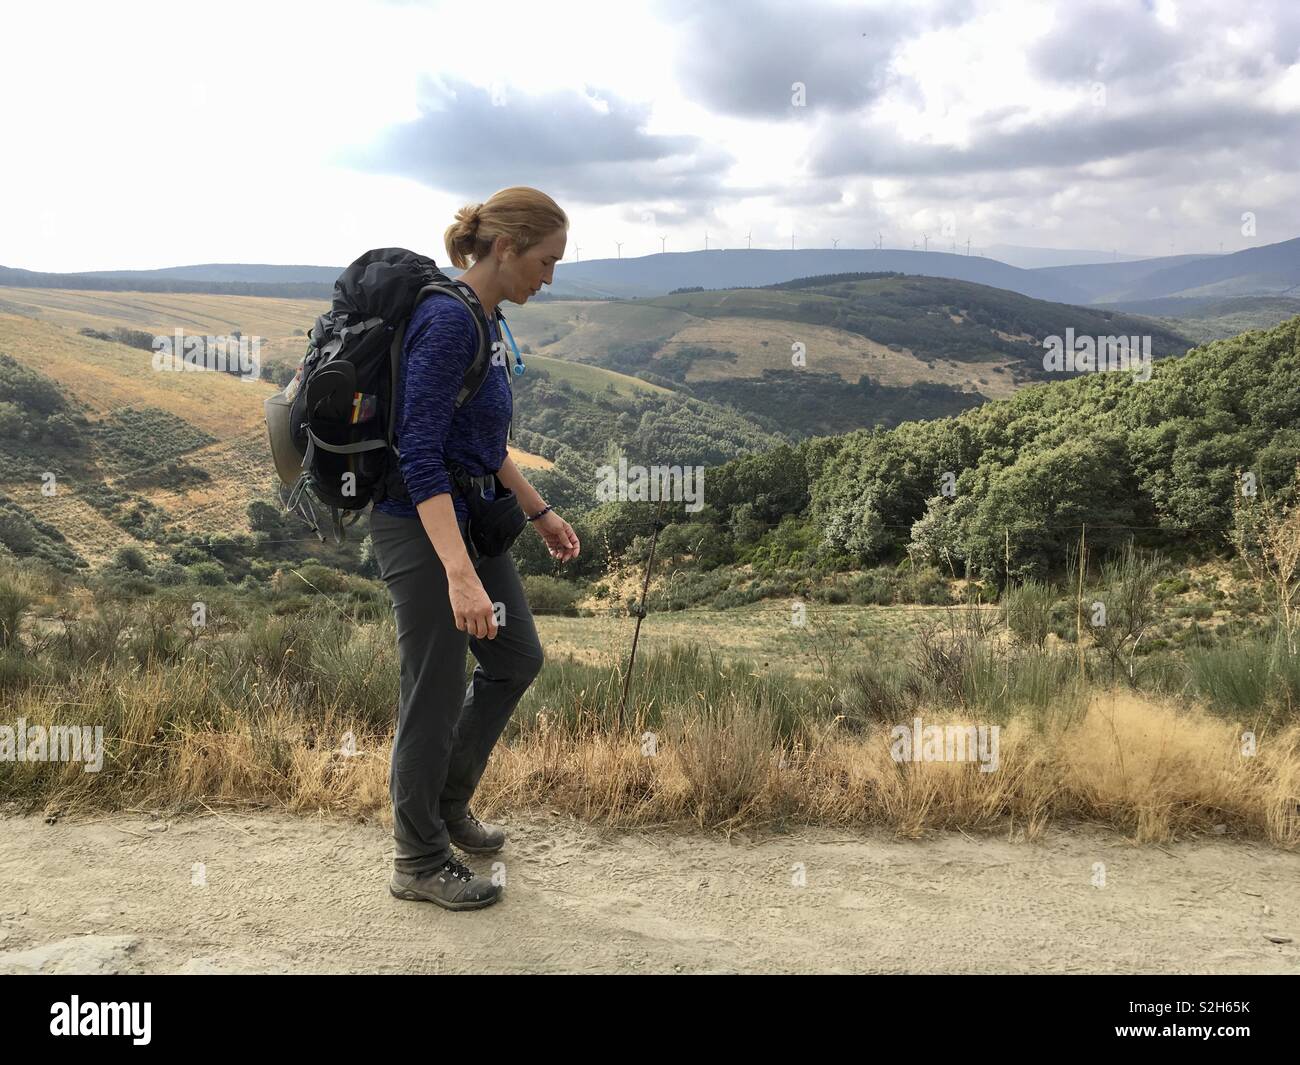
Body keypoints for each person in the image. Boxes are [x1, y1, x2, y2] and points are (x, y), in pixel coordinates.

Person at [369, 186, 580, 911]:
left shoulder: (485, 319)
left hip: (469, 511)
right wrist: (459, 575)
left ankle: (447, 805)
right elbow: (418, 452)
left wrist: (539, 508)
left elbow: (480, 442)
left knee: (516, 655)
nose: (548, 277)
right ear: (505, 248)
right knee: (431, 685)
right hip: (418, 520)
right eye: (545, 261)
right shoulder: (447, 320)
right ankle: (417, 856)